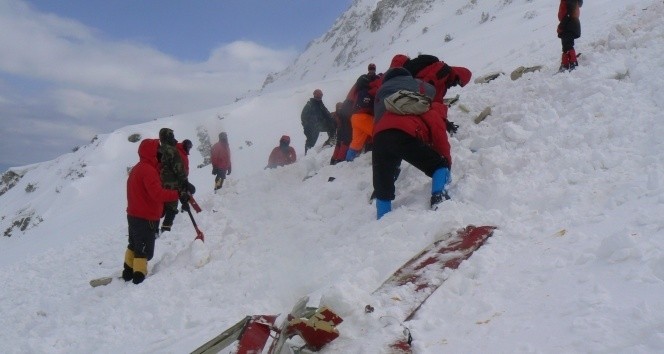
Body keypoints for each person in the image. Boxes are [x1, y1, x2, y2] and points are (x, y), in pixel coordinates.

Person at [371, 68, 452, 220]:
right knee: (439, 165)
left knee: (383, 186)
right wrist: (446, 164)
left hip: (379, 136)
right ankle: (438, 199)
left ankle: (382, 219)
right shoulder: (430, 111)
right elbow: (441, 141)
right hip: (403, 135)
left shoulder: (393, 108)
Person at [123, 138, 187, 284]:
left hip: (133, 215)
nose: (160, 152)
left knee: (134, 243)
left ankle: (127, 271)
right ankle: (139, 276)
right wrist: (178, 194)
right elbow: (157, 194)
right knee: (144, 250)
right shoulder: (148, 171)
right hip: (146, 217)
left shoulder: (137, 168)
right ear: (152, 152)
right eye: (158, 150)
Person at [345, 63, 382, 161]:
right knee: (379, 133)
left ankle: (348, 162)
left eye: (373, 68)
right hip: (363, 116)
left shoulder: (361, 86)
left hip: (355, 117)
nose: (372, 70)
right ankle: (383, 157)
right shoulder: (369, 89)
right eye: (371, 68)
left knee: (356, 142)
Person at [158, 128, 192, 233]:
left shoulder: (158, 149)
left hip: (160, 182)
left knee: (161, 205)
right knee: (172, 207)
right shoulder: (172, 150)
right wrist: (185, 181)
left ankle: (154, 228)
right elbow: (179, 168)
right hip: (172, 183)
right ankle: (166, 229)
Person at [301, 89, 335, 154]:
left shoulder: (320, 104)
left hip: (319, 125)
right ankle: (307, 156)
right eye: (318, 96)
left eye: (320, 96)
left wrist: (331, 117)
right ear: (315, 96)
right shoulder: (309, 105)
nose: (319, 98)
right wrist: (308, 125)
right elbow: (303, 117)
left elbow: (326, 113)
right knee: (311, 142)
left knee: (332, 124)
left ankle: (331, 140)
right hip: (311, 127)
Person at [557, 0, 583, 71]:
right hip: (571, 23)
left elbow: (569, 14)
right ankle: (565, 64)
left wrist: (561, 26)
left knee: (567, 44)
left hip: (569, 23)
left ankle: (572, 62)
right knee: (566, 44)